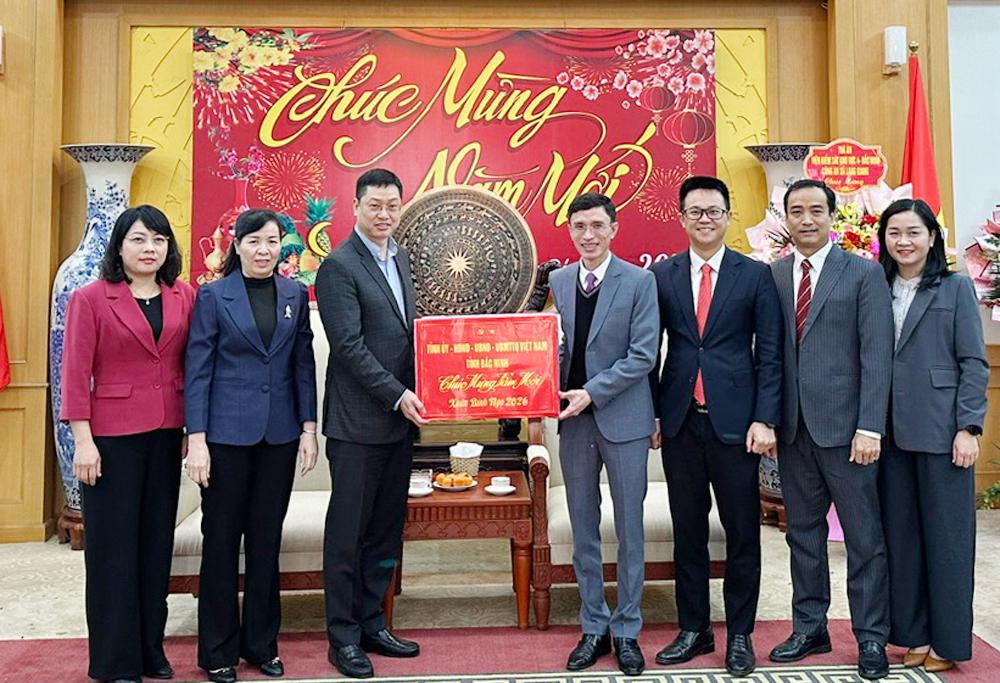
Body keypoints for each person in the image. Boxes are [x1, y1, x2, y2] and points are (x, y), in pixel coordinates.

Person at [651, 176, 782, 677]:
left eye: (713, 211)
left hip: (737, 425)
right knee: (688, 531)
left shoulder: (755, 276)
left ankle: (741, 634)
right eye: (695, 211)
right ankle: (694, 628)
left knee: (743, 532)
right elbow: (648, 353)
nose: (704, 219)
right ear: (682, 218)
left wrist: (765, 418)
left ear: (728, 216)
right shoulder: (662, 275)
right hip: (681, 422)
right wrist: (653, 414)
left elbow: (770, 354)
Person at [61, 205, 194, 683]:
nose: (149, 248)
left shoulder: (184, 295)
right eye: (138, 239)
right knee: (113, 551)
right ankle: (116, 660)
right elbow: (74, 374)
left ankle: (151, 650)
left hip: (166, 434)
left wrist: (192, 430)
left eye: (158, 240)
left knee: (155, 546)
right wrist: (83, 440)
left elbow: (192, 365)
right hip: (110, 440)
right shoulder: (91, 298)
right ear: (119, 247)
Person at [184, 208, 318, 683]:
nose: (264, 250)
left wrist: (308, 428)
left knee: (266, 542)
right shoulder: (212, 296)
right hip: (224, 439)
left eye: (272, 241)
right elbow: (198, 369)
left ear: (283, 247)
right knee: (221, 543)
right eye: (254, 241)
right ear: (237, 245)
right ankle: (217, 651)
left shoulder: (295, 294)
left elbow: (303, 365)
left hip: (279, 437)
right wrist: (196, 439)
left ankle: (262, 645)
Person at [768, 179, 894, 680]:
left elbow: (876, 354)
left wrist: (870, 427)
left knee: (864, 538)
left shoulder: (863, 273)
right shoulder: (774, 275)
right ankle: (810, 627)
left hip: (848, 433)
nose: (806, 219)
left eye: (815, 210)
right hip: (793, 430)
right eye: (796, 211)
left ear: (831, 216)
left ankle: (871, 636)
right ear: (786, 218)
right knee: (802, 534)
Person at [315, 168, 426, 679]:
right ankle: (342, 637)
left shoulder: (399, 257)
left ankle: (372, 623)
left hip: (399, 425)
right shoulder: (338, 266)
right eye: (375, 205)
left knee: (384, 533)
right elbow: (349, 347)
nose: (384, 214)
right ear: (356, 206)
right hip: (357, 425)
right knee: (348, 535)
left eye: (392, 206)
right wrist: (398, 395)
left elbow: (405, 335)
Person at [545, 192, 658, 676]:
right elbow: (553, 347)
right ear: (570, 231)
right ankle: (593, 625)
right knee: (583, 526)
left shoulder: (640, 281)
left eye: (596, 226)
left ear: (613, 229)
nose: (588, 235)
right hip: (573, 422)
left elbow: (643, 354)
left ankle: (627, 629)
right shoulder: (558, 280)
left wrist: (591, 392)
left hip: (623, 418)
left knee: (630, 529)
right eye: (579, 227)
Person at [876, 198, 989, 672]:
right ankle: (913, 634)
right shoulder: (876, 287)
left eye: (913, 232)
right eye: (894, 232)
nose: (903, 241)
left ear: (931, 238)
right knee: (901, 540)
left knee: (948, 542)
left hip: (943, 432)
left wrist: (968, 427)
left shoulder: (955, 287)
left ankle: (948, 642)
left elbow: (973, 362)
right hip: (888, 434)